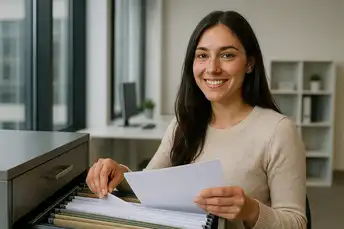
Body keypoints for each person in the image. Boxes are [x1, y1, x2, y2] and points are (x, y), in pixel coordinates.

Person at [86, 10, 307, 229]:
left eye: (227, 55)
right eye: (202, 55)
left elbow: (296, 223)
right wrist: (119, 173)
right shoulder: (183, 124)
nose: (212, 68)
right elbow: (149, 183)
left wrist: (250, 210)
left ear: (250, 63)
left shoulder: (278, 131)